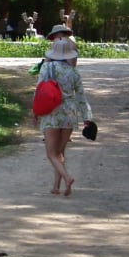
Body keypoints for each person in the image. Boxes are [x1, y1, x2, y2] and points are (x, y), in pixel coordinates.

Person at [35, 38, 92, 196]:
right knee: (60, 152)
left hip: (52, 112)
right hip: (69, 114)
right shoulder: (74, 72)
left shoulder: (46, 68)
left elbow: (39, 89)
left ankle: (67, 178)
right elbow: (81, 97)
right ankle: (56, 186)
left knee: (51, 154)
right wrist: (87, 117)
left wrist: (35, 112)